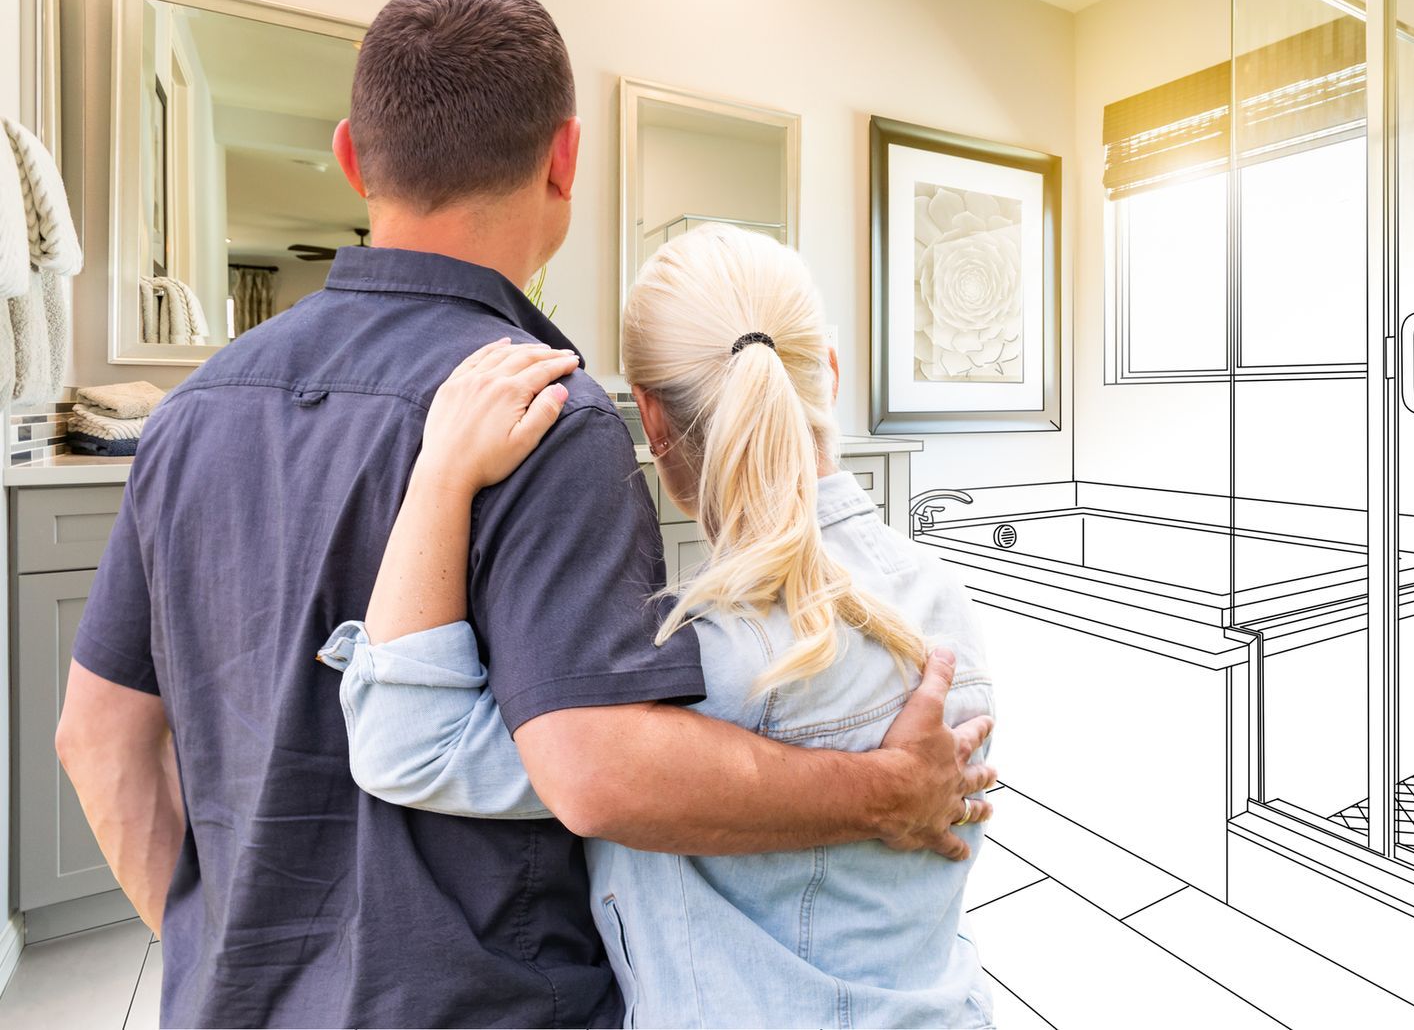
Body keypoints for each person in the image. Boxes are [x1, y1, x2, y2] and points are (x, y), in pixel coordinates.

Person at [54, 0, 994, 1028]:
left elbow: (97, 741)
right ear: (566, 160)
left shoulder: (188, 415)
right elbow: (601, 767)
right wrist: (879, 792)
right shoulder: (550, 416)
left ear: (354, 158)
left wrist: (225, 960)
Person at [320, 224, 996, 1027]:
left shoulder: (698, 669)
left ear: (651, 420)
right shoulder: (945, 601)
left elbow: (410, 741)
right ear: (833, 375)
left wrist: (441, 474)